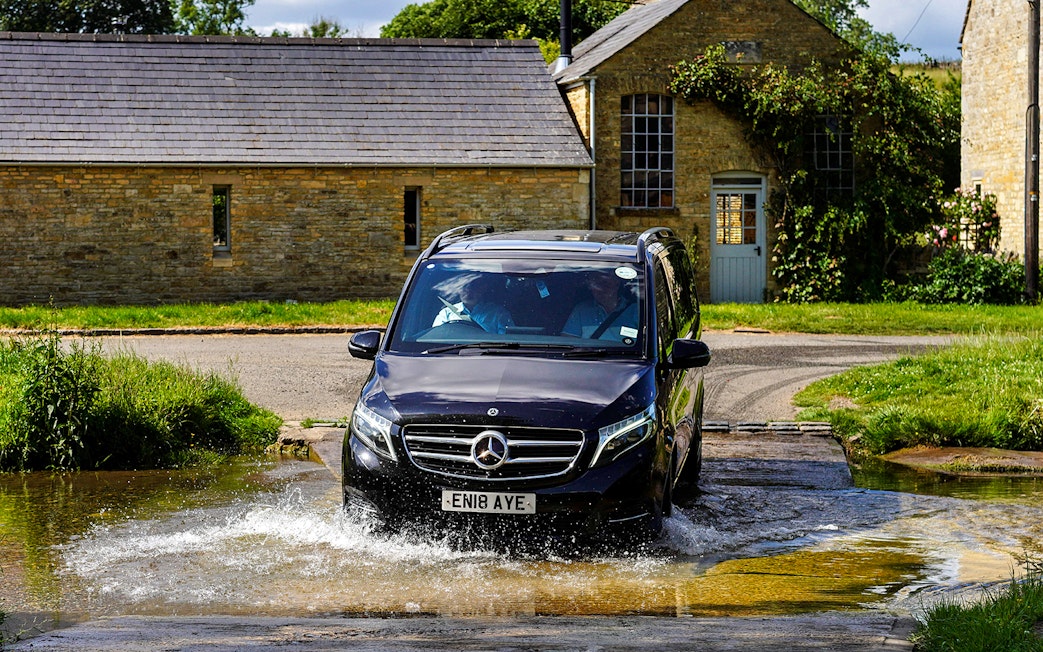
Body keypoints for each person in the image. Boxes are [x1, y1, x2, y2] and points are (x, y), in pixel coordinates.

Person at [562, 270, 639, 341]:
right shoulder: (581, 310)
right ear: (591, 288)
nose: (600, 289)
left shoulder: (636, 310)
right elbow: (568, 342)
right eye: (596, 285)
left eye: (606, 284)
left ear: (616, 285)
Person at [432, 275, 514, 334]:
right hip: (449, 354)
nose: (468, 292)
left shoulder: (498, 313)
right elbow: (435, 337)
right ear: (458, 291)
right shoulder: (446, 313)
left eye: (473, 288)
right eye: (464, 288)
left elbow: (506, 341)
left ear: (482, 290)